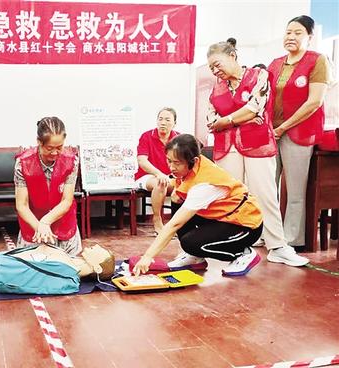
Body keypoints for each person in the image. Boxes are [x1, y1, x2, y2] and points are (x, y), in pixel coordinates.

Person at [206, 38, 308, 267]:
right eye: (211, 68)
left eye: (217, 64)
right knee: (232, 196)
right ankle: (235, 245)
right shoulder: (216, 88)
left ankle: (277, 246)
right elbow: (211, 120)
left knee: (265, 194)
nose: (215, 70)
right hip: (227, 147)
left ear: (233, 56)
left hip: (258, 144)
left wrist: (228, 121)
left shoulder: (259, 76)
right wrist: (235, 120)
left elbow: (254, 108)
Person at [133, 134, 263, 277]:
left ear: (193, 160)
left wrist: (147, 257)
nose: (171, 167)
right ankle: (194, 257)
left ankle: (243, 253)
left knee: (191, 243)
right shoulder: (194, 166)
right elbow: (177, 196)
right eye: (169, 161)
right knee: (177, 199)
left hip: (245, 226)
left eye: (177, 163)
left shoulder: (204, 185)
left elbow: (175, 224)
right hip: (223, 217)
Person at [268, 16, 331, 247]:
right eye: (288, 32)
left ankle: (291, 240)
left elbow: (314, 102)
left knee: (295, 191)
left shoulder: (318, 61)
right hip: (271, 133)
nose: (291, 37)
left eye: (297, 33)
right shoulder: (275, 63)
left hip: (299, 134)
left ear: (309, 37)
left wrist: (283, 127)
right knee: (267, 188)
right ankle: (268, 235)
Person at [15, 117, 81, 256]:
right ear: (39, 142)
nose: (55, 153)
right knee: (34, 265)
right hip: (33, 224)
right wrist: (40, 227)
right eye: (49, 148)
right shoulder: (23, 163)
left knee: (68, 265)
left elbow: (67, 200)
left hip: (63, 223)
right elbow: (22, 205)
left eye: (59, 147)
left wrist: (45, 221)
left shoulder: (71, 161)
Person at [134, 107, 180, 234]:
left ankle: (178, 223)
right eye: (160, 119)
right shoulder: (146, 136)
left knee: (187, 186)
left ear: (174, 123)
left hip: (170, 177)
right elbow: (142, 161)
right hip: (147, 176)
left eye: (167, 120)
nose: (163, 123)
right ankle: (157, 220)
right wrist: (159, 174)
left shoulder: (179, 138)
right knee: (161, 183)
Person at [14, 243, 116, 281]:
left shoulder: (68, 268)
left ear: (97, 268)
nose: (97, 246)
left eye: (101, 250)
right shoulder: (70, 262)